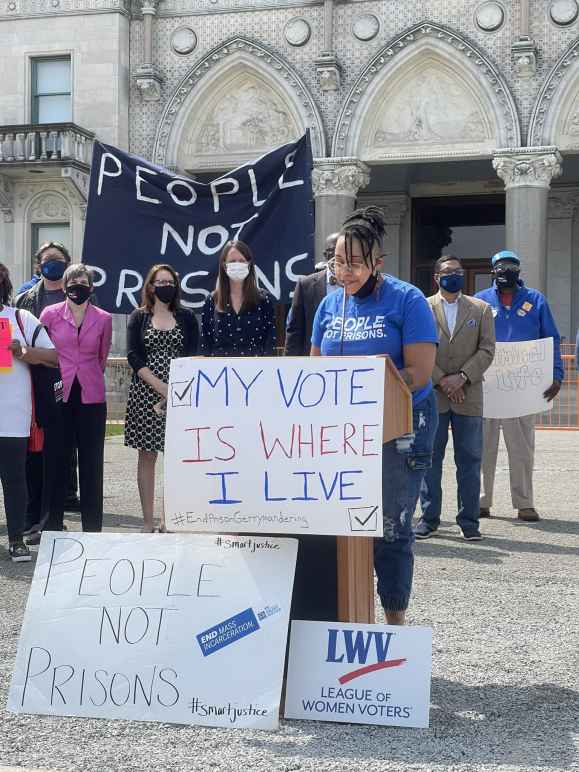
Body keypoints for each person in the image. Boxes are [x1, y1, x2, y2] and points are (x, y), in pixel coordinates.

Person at [311, 206, 438, 625]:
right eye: (338, 263)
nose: (344, 272)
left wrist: (363, 383)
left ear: (377, 263)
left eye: (355, 264)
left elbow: (419, 373)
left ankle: (394, 623)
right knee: (342, 527)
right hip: (343, 432)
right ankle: (350, 618)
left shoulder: (408, 300)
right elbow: (313, 370)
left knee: (390, 526)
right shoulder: (329, 306)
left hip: (400, 430)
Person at [475, 250, 563, 522]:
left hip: (523, 388)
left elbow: (552, 337)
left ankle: (524, 503)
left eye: (511, 266)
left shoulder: (535, 300)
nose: (506, 271)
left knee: (522, 448)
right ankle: (480, 501)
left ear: (519, 271)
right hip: (487, 387)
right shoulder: (480, 301)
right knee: (481, 447)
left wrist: (556, 374)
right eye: (501, 267)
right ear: (493, 271)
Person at [415, 255, 495, 541]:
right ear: (437, 277)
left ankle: (469, 522)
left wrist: (462, 377)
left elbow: (487, 349)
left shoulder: (481, 308)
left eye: (458, 272)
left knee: (471, 460)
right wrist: (441, 379)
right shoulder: (421, 307)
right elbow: (416, 348)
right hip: (433, 396)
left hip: (469, 395)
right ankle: (429, 519)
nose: (455, 276)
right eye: (448, 272)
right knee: (429, 459)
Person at [125, 264, 199, 533]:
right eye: (160, 281)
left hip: (181, 394)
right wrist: (161, 387)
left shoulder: (187, 317)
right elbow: (133, 356)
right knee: (147, 456)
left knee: (176, 457)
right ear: (150, 286)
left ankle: (169, 520)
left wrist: (175, 390)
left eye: (170, 281)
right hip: (146, 393)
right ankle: (147, 521)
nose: (165, 285)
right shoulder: (137, 317)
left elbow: (194, 354)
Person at [40, 264, 112, 532]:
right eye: (72, 281)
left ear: (91, 287)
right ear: (64, 286)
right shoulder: (49, 314)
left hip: (92, 395)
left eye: (82, 281)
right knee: (56, 458)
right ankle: (52, 525)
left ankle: (92, 528)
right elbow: (43, 350)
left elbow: (102, 357)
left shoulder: (103, 318)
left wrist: (89, 374)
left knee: (91, 462)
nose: (76, 285)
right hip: (60, 392)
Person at [17, 241, 81, 517]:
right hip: (38, 375)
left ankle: (67, 492)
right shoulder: (25, 299)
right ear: (38, 265)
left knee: (69, 438)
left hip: (72, 375)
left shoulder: (79, 295)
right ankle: (39, 500)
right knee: (39, 438)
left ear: (67, 264)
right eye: (47, 259)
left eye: (57, 259)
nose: (52, 263)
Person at [0, 263, 58, 561]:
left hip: (12, 415)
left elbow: (53, 357)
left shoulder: (21, 319)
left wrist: (23, 352)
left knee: (14, 478)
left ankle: (16, 539)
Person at [201, 240, 276, 357]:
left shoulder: (264, 300)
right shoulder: (212, 300)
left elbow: (270, 343)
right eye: (232, 261)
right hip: (220, 372)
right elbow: (205, 344)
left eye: (241, 261)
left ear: (249, 264)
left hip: (256, 371)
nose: (237, 264)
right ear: (224, 265)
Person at [284, 232, 339, 356]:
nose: (337, 256)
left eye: (343, 252)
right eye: (333, 251)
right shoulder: (306, 285)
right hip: (314, 362)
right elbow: (294, 332)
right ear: (325, 255)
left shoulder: (356, 282)